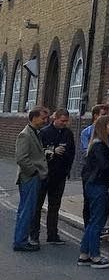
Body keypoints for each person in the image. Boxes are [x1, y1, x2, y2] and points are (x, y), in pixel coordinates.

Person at [34, 108, 76, 246]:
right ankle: (34, 235)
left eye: (66, 121)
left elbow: (71, 152)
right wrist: (52, 150)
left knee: (54, 206)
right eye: (62, 120)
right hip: (45, 175)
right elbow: (38, 151)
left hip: (59, 175)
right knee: (37, 206)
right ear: (55, 118)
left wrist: (67, 170)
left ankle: (52, 234)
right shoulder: (44, 132)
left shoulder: (68, 134)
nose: (64, 123)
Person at [79, 114, 109, 268]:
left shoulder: (95, 144)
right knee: (97, 221)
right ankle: (95, 256)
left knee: (93, 221)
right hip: (98, 185)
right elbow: (105, 166)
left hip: (93, 184)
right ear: (103, 128)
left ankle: (84, 254)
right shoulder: (100, 146)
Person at [13, 106, 49, 253]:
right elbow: (21, 158)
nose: (45, 121)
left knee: (27, 210)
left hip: (32, 177)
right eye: (43, 118)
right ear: (34, 118)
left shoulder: (35, 133)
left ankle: (21, 239)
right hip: (29, 178)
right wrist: (34, 172)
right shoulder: (26, 135)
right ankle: (20, 242)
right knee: (27, 210)